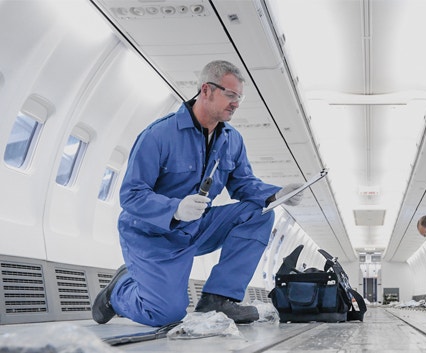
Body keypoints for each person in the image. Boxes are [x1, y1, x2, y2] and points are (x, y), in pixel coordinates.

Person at [92, 60, 303, 327]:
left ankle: (218, 299)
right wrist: (175, 209)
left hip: (197, 227)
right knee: (166, 315)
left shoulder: (232, 140)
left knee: (258, 212)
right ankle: (119, 290)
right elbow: (131, 195)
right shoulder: (159, 134)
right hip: (152, 234)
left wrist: (277, 194)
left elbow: (244, 185)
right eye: (230, 95)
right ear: (206, 90)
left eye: (240, 97)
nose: (236, 103)